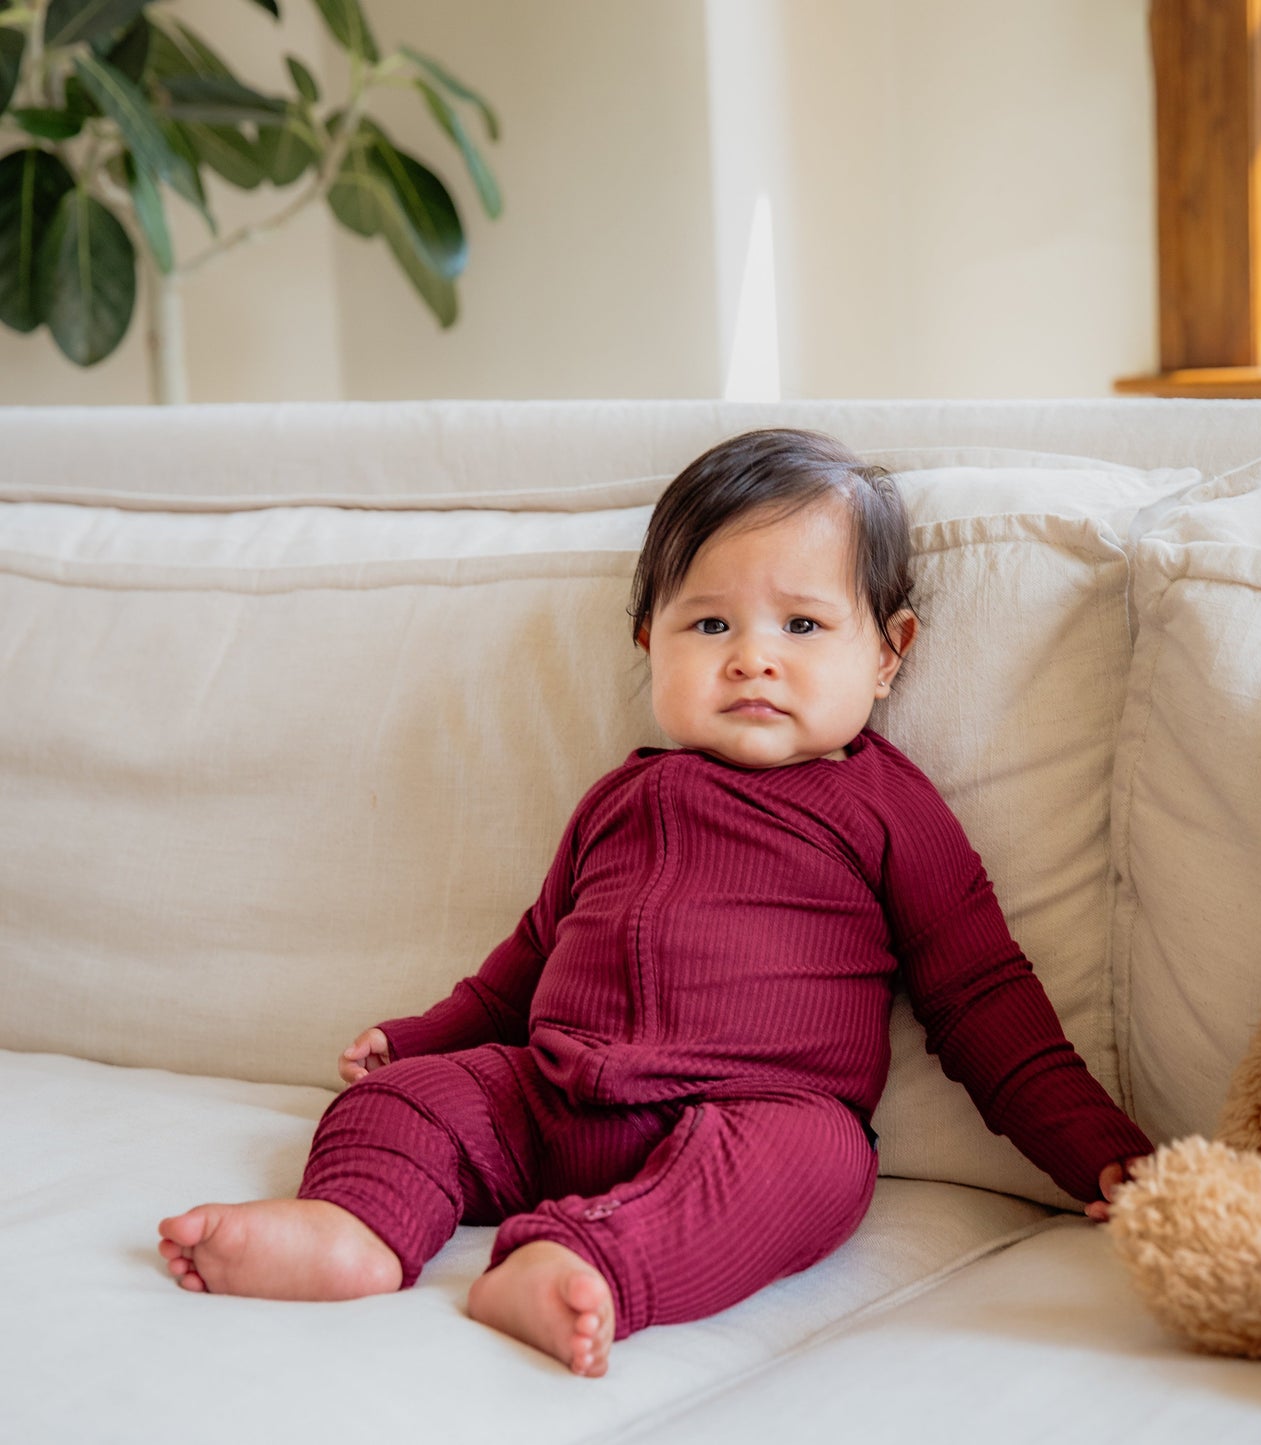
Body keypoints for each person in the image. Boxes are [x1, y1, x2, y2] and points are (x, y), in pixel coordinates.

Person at [158, 428, 1152, 1378]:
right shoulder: (619, 797)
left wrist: (1096, 1152)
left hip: (756, 1112)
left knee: (822, 1164)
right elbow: (529, 958)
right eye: (708, 623)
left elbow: (982, 998)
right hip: (550, 1096)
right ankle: (357, 1228)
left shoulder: (886, 809)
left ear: (887, 652)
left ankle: (587, 1261)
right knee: (396, 1105)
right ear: (650, 637)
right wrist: (421, 1038)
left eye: (801, 624)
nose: (750, 657)